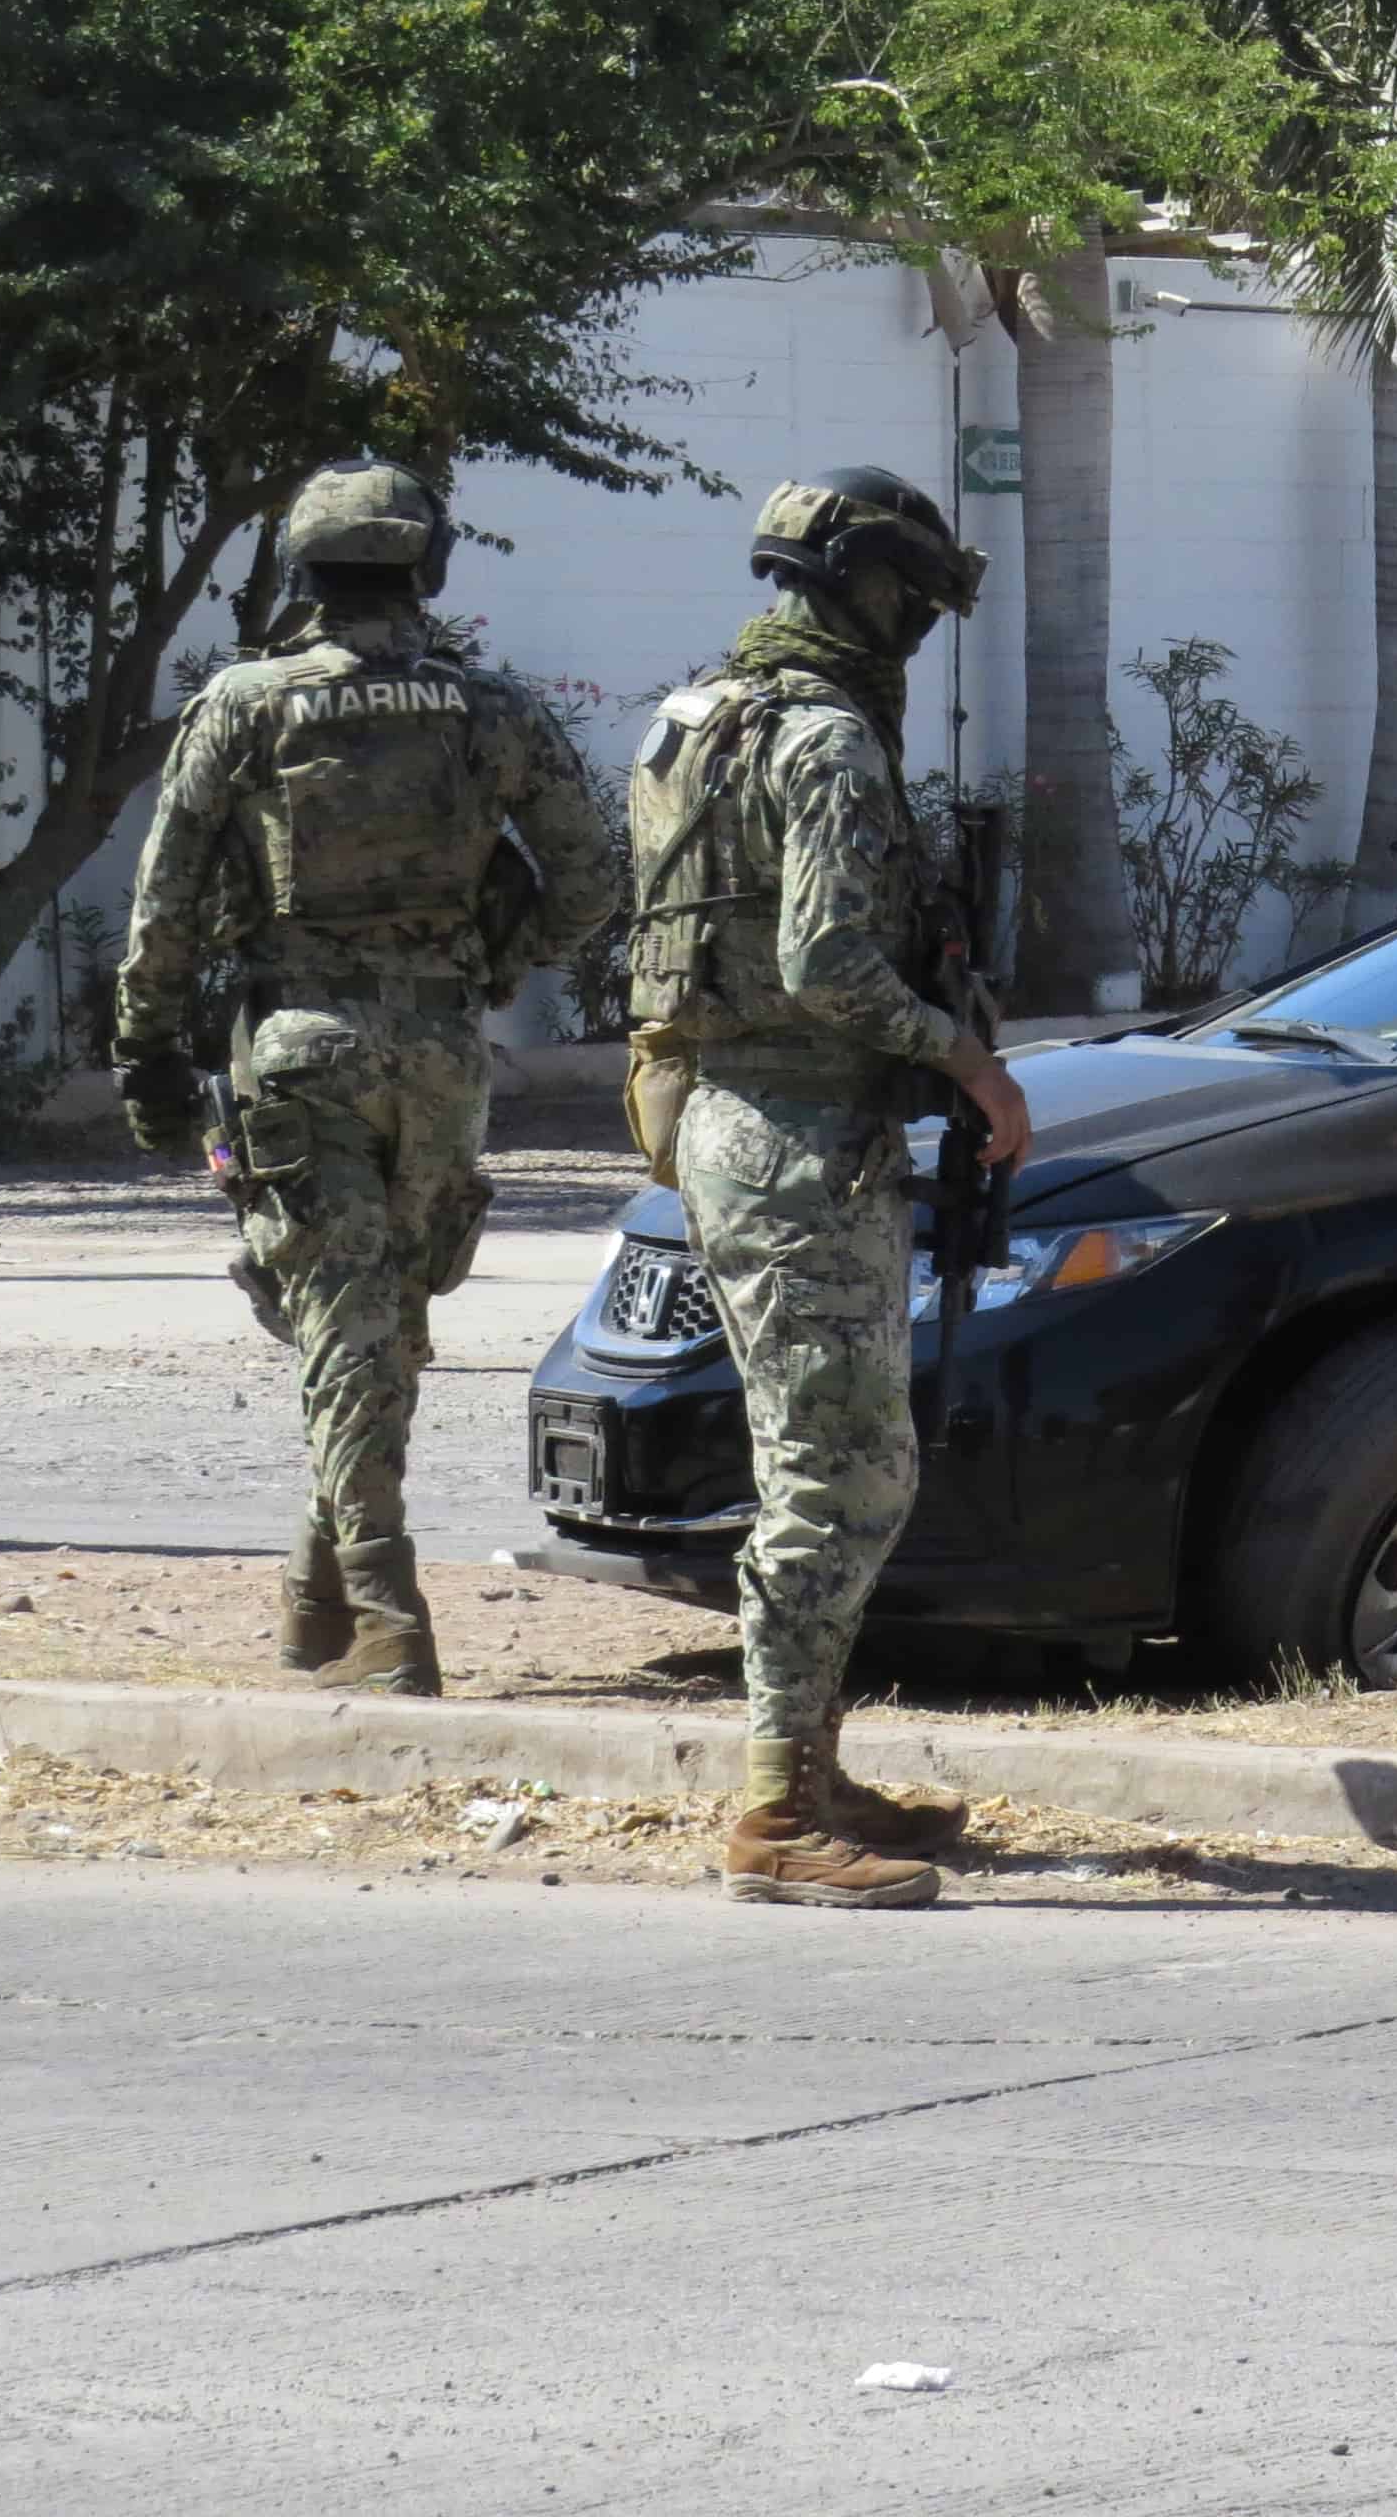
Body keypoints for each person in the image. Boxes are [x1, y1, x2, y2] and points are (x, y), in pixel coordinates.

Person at [113, 458, 619, 1699]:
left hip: (294, 1045)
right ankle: (316, 1602)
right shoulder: (487, 708)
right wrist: (491, 958)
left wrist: (150, 1054)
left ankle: (386, 1613)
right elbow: (595, 878)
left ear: (303, 571)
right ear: (424, 566)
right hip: (441, 1056)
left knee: (347, 1328)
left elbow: (166, 900)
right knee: (379, 1326)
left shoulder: (245, 703)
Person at [625, 466, 1025, 1912]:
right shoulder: (829, 743)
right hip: (797, 1139)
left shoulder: (694, 721)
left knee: (835, 1461)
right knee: (840, 1476)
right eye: (911, 600)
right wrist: (972, 1065)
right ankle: (778, 1813)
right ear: (871, 590)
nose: (916, 627)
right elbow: (827, 966)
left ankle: (813, 1768)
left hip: (729, 1119)